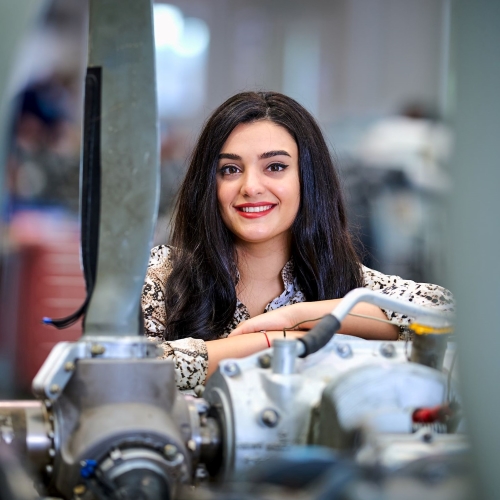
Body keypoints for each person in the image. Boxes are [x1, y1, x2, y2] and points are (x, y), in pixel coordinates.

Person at [141, 91, 454, 390]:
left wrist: (298, 317)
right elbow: (135, 371)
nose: (251, 187)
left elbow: (444, 312)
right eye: (231, 169)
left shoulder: (343, 283)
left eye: (275, 167)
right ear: (210, 184)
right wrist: (279, 343)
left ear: (308, 178)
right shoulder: (163, 272)